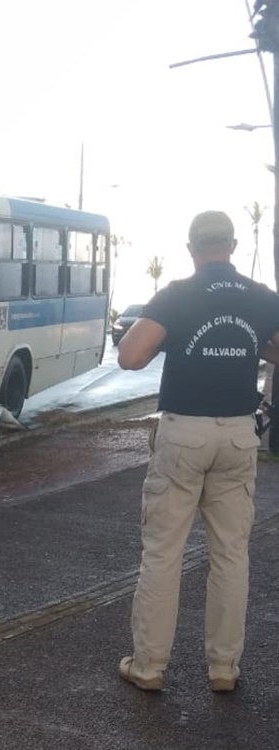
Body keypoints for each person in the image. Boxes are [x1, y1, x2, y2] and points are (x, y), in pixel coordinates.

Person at [117, 210, 279, 692]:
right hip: (236, 435)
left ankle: (148, 666)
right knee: (231, 554)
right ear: (230, 246)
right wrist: (252, 347)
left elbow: (129, 356)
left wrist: (176, 336)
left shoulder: (177, 295)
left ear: (191, 248)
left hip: (183, 434)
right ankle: (223, 669)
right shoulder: (260, 298)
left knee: (164, 554)